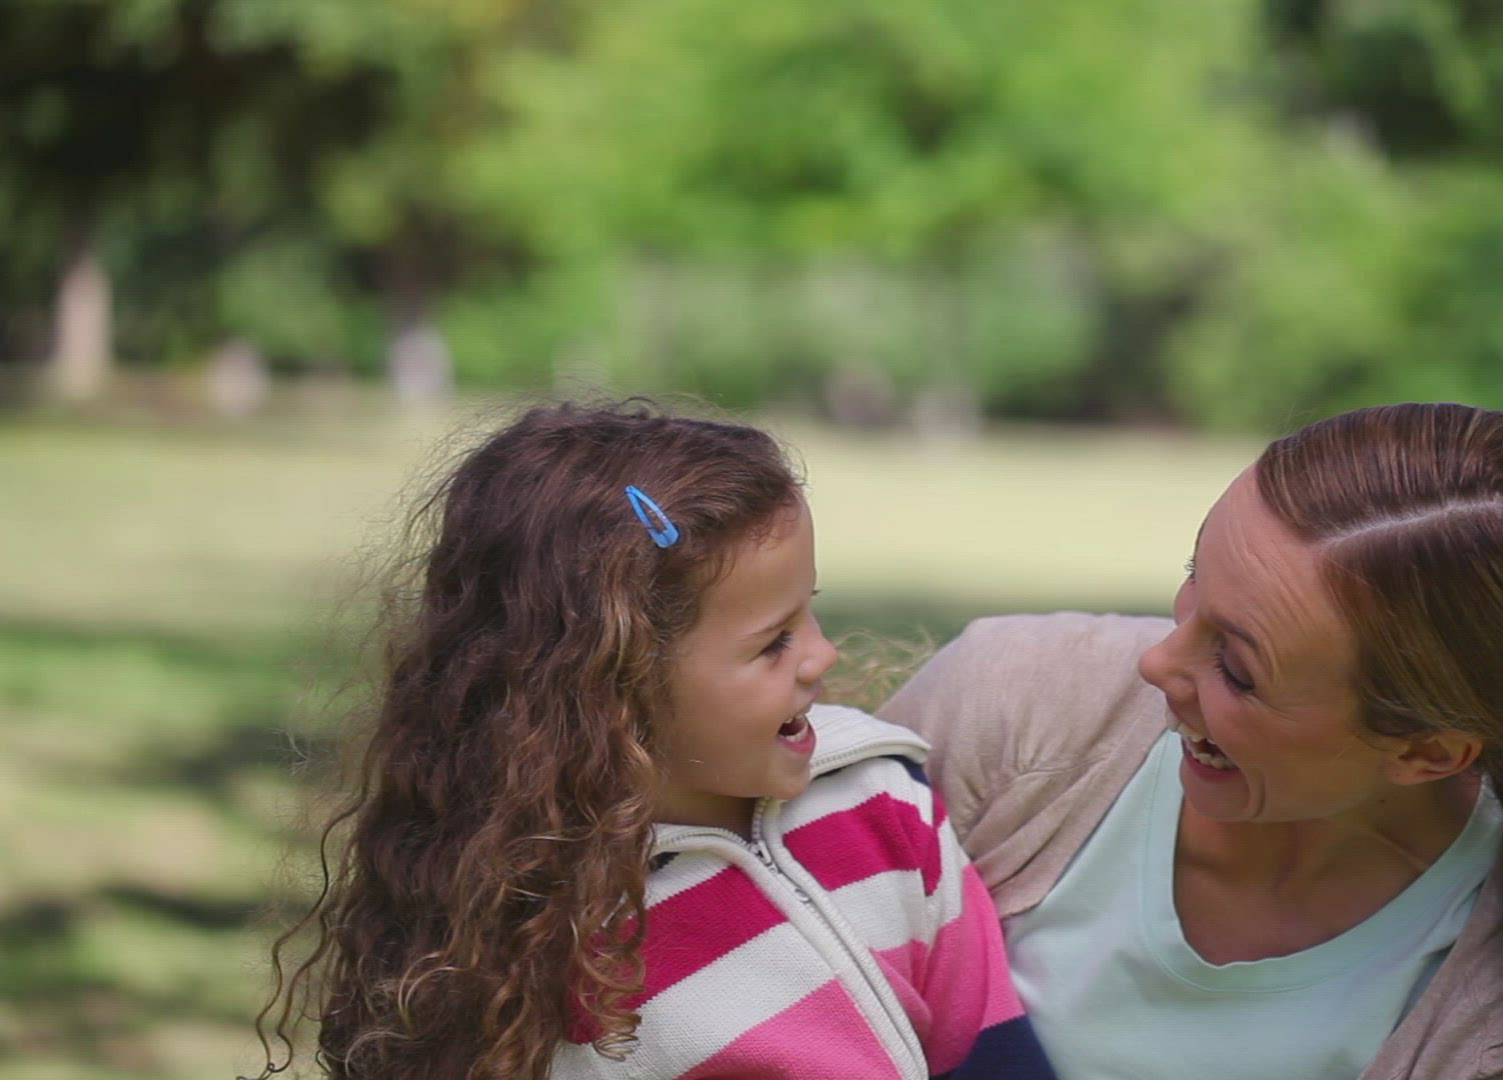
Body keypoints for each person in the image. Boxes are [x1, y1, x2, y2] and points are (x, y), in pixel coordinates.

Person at [879, 403, 1503, 1080]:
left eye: (1238, 671)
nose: (1157, 663)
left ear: (1426, 753)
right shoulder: (1013, 709)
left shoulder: (1501, 1024)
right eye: (1194, 576)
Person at [253, 401, 1052, 1080]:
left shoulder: (883, 805)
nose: (821, 656)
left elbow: (993, 1049)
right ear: (612, 690)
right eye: (773, 642)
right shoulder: (541, 941)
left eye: (810, 610)